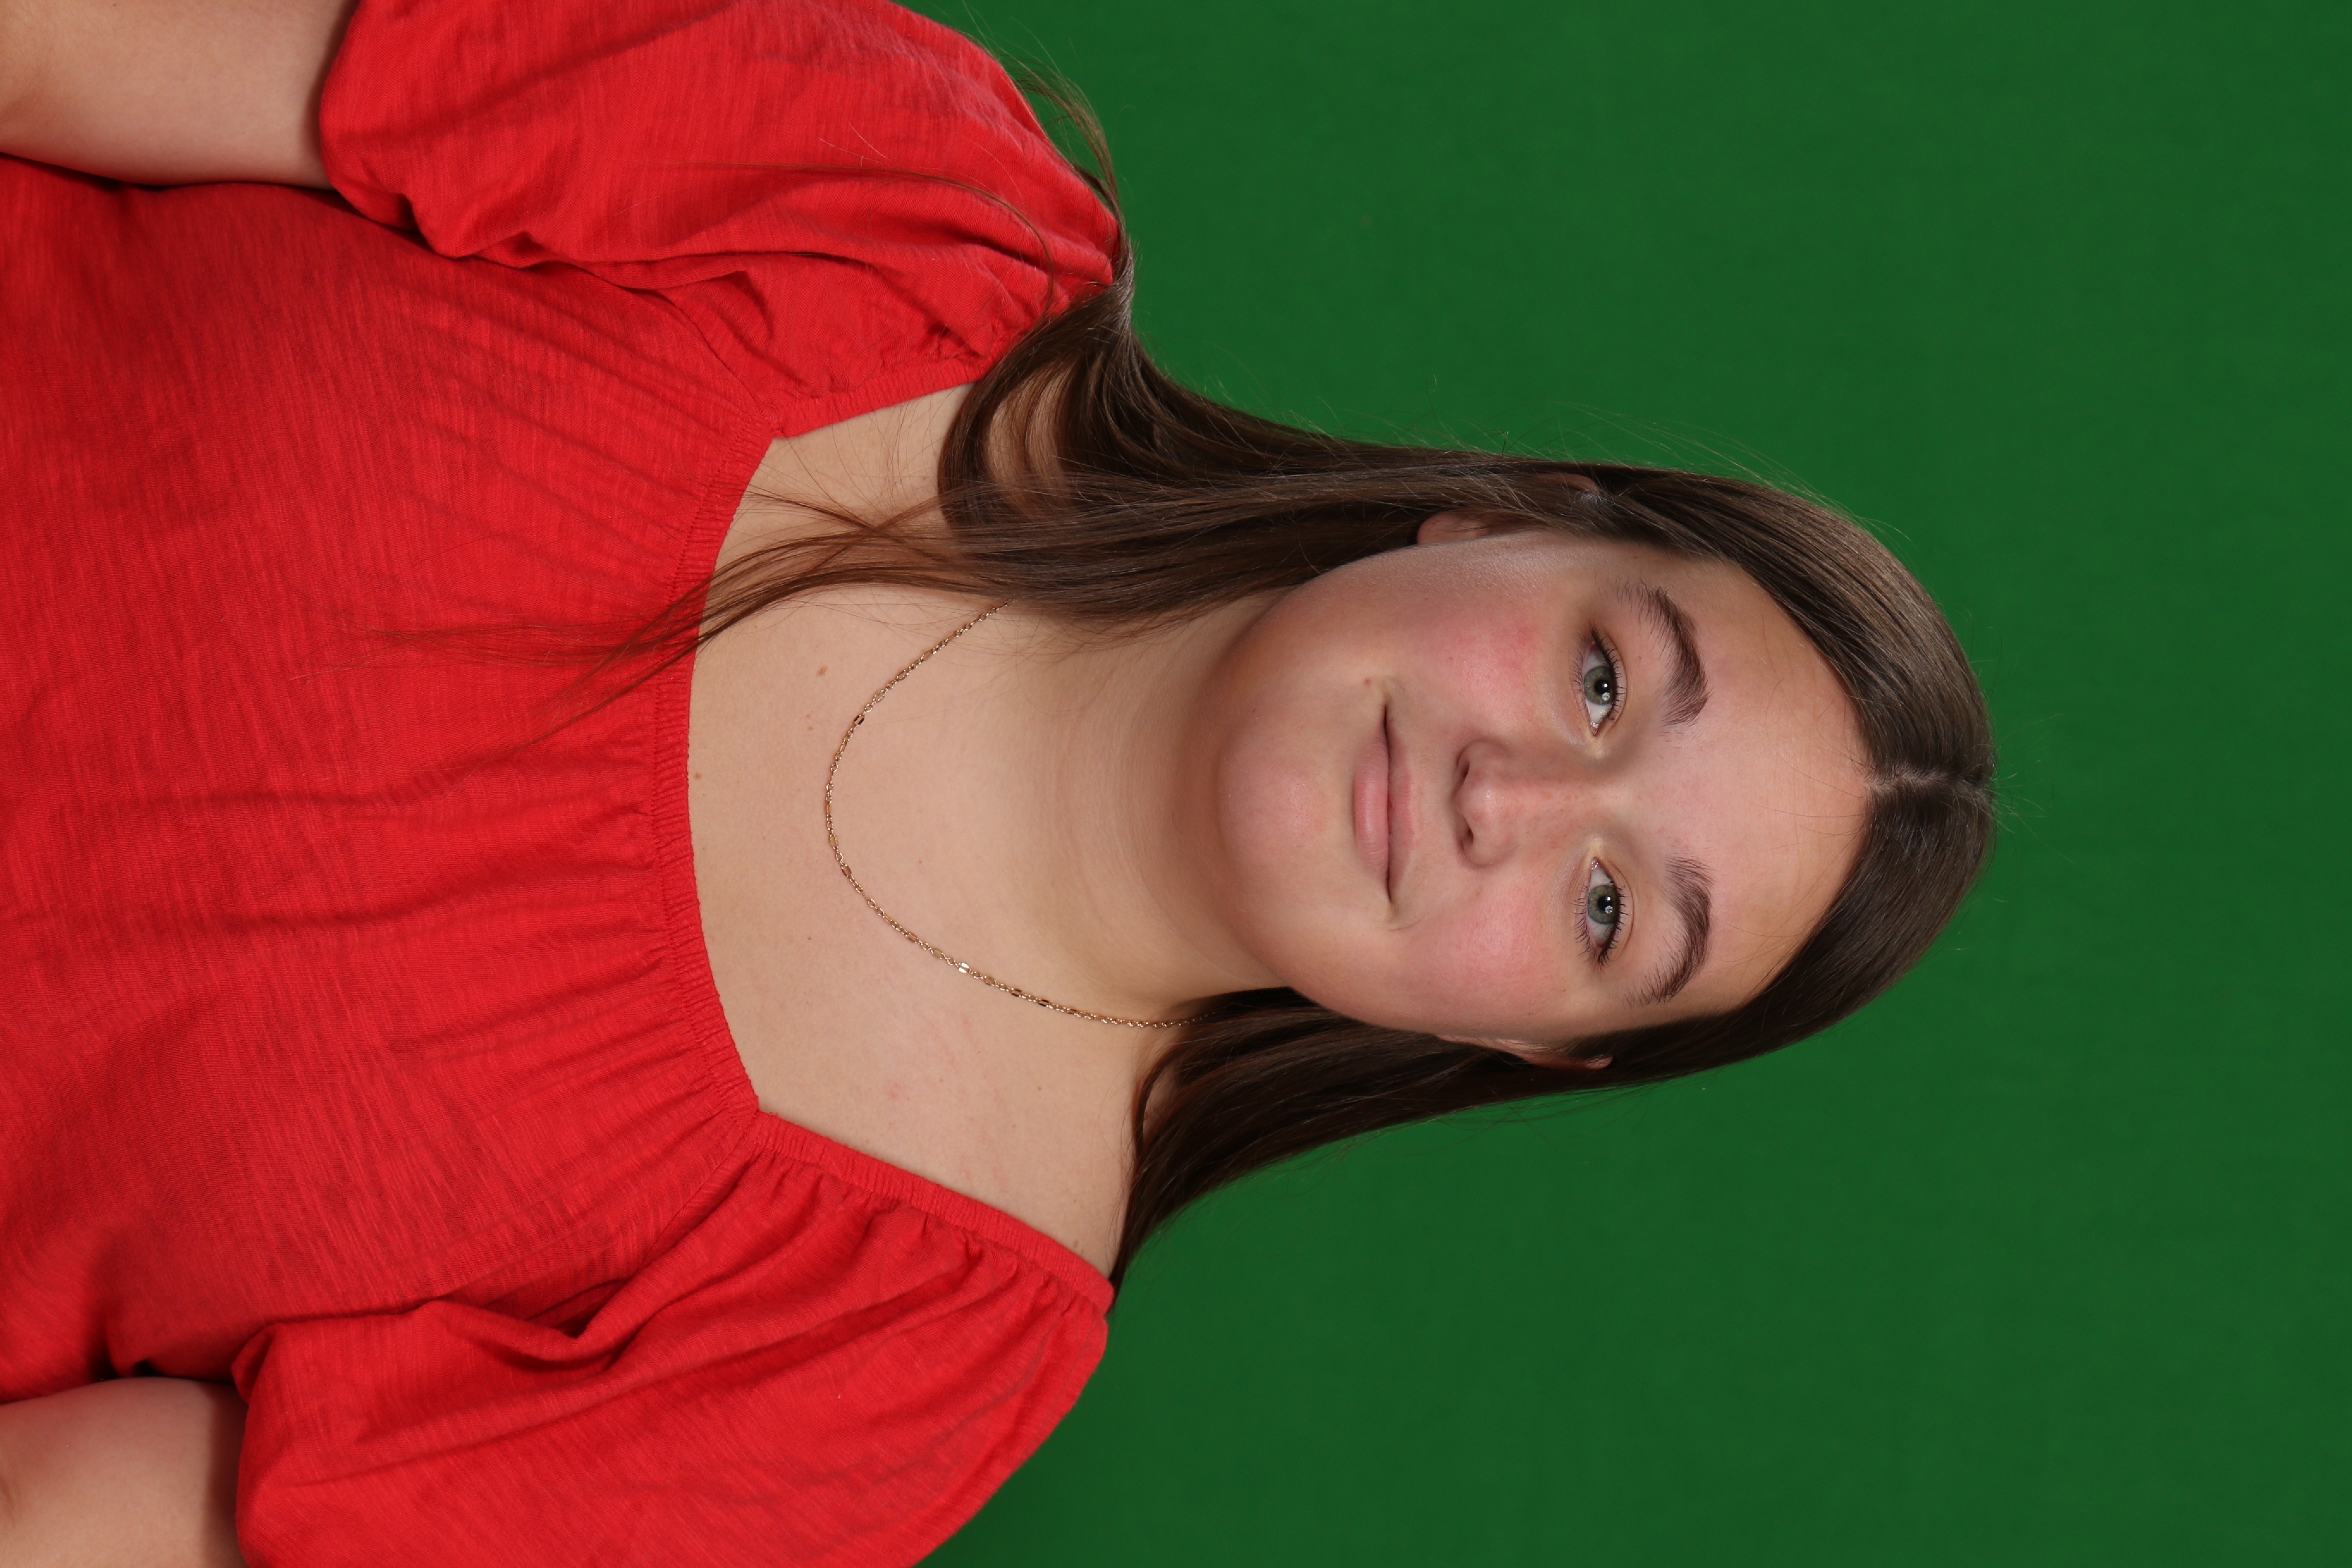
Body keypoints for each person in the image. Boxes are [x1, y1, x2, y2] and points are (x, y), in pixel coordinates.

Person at [0, 0, 1996, 1562]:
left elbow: (74, 1528)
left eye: (1608, 910)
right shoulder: (913, 203)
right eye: (1602, 678)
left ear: (1532, 1043)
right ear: (1502, 522)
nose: (1509, 801)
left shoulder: (895, 1368)